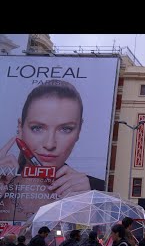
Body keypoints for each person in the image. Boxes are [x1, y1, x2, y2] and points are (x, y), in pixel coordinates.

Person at [0, 80, 104, 222]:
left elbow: (92, 237)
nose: (50, 144)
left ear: (79, 130)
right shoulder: (4, 181)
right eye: (37, 128)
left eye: (65, 129)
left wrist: (85, 203)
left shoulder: (94, 188)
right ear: (20, 127)